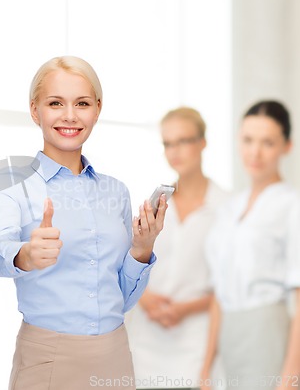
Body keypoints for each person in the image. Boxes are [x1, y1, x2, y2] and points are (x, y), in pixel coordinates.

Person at [0, 56, 167, 390]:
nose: (70, 115)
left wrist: (141, 251)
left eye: (81, 103)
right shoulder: (12, 182)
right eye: (56, 103)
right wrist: (26, 254)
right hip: (47, 359)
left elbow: (122, 300)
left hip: (114, 356)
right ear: (35, 110)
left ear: (97, 109)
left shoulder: (115, 191)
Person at [126, 107, 228, 389]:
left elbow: (229, 285)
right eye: (168, 143)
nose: (175, 151)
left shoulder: (226, 207)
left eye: (183, 141)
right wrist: (144, 298)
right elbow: (129, 263)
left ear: (203, 142)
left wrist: (186, 308)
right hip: (145, 342)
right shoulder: (152, 204)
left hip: (196, 344)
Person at [201, 100, 300, 390]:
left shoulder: (291, 205)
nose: (255, 152)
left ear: (286, 146)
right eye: (248, 140)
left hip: (268, 333)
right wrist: (206, 367)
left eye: (267, 142)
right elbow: (219, 292)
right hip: (229, 338)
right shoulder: (229, 209)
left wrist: (291, 377)